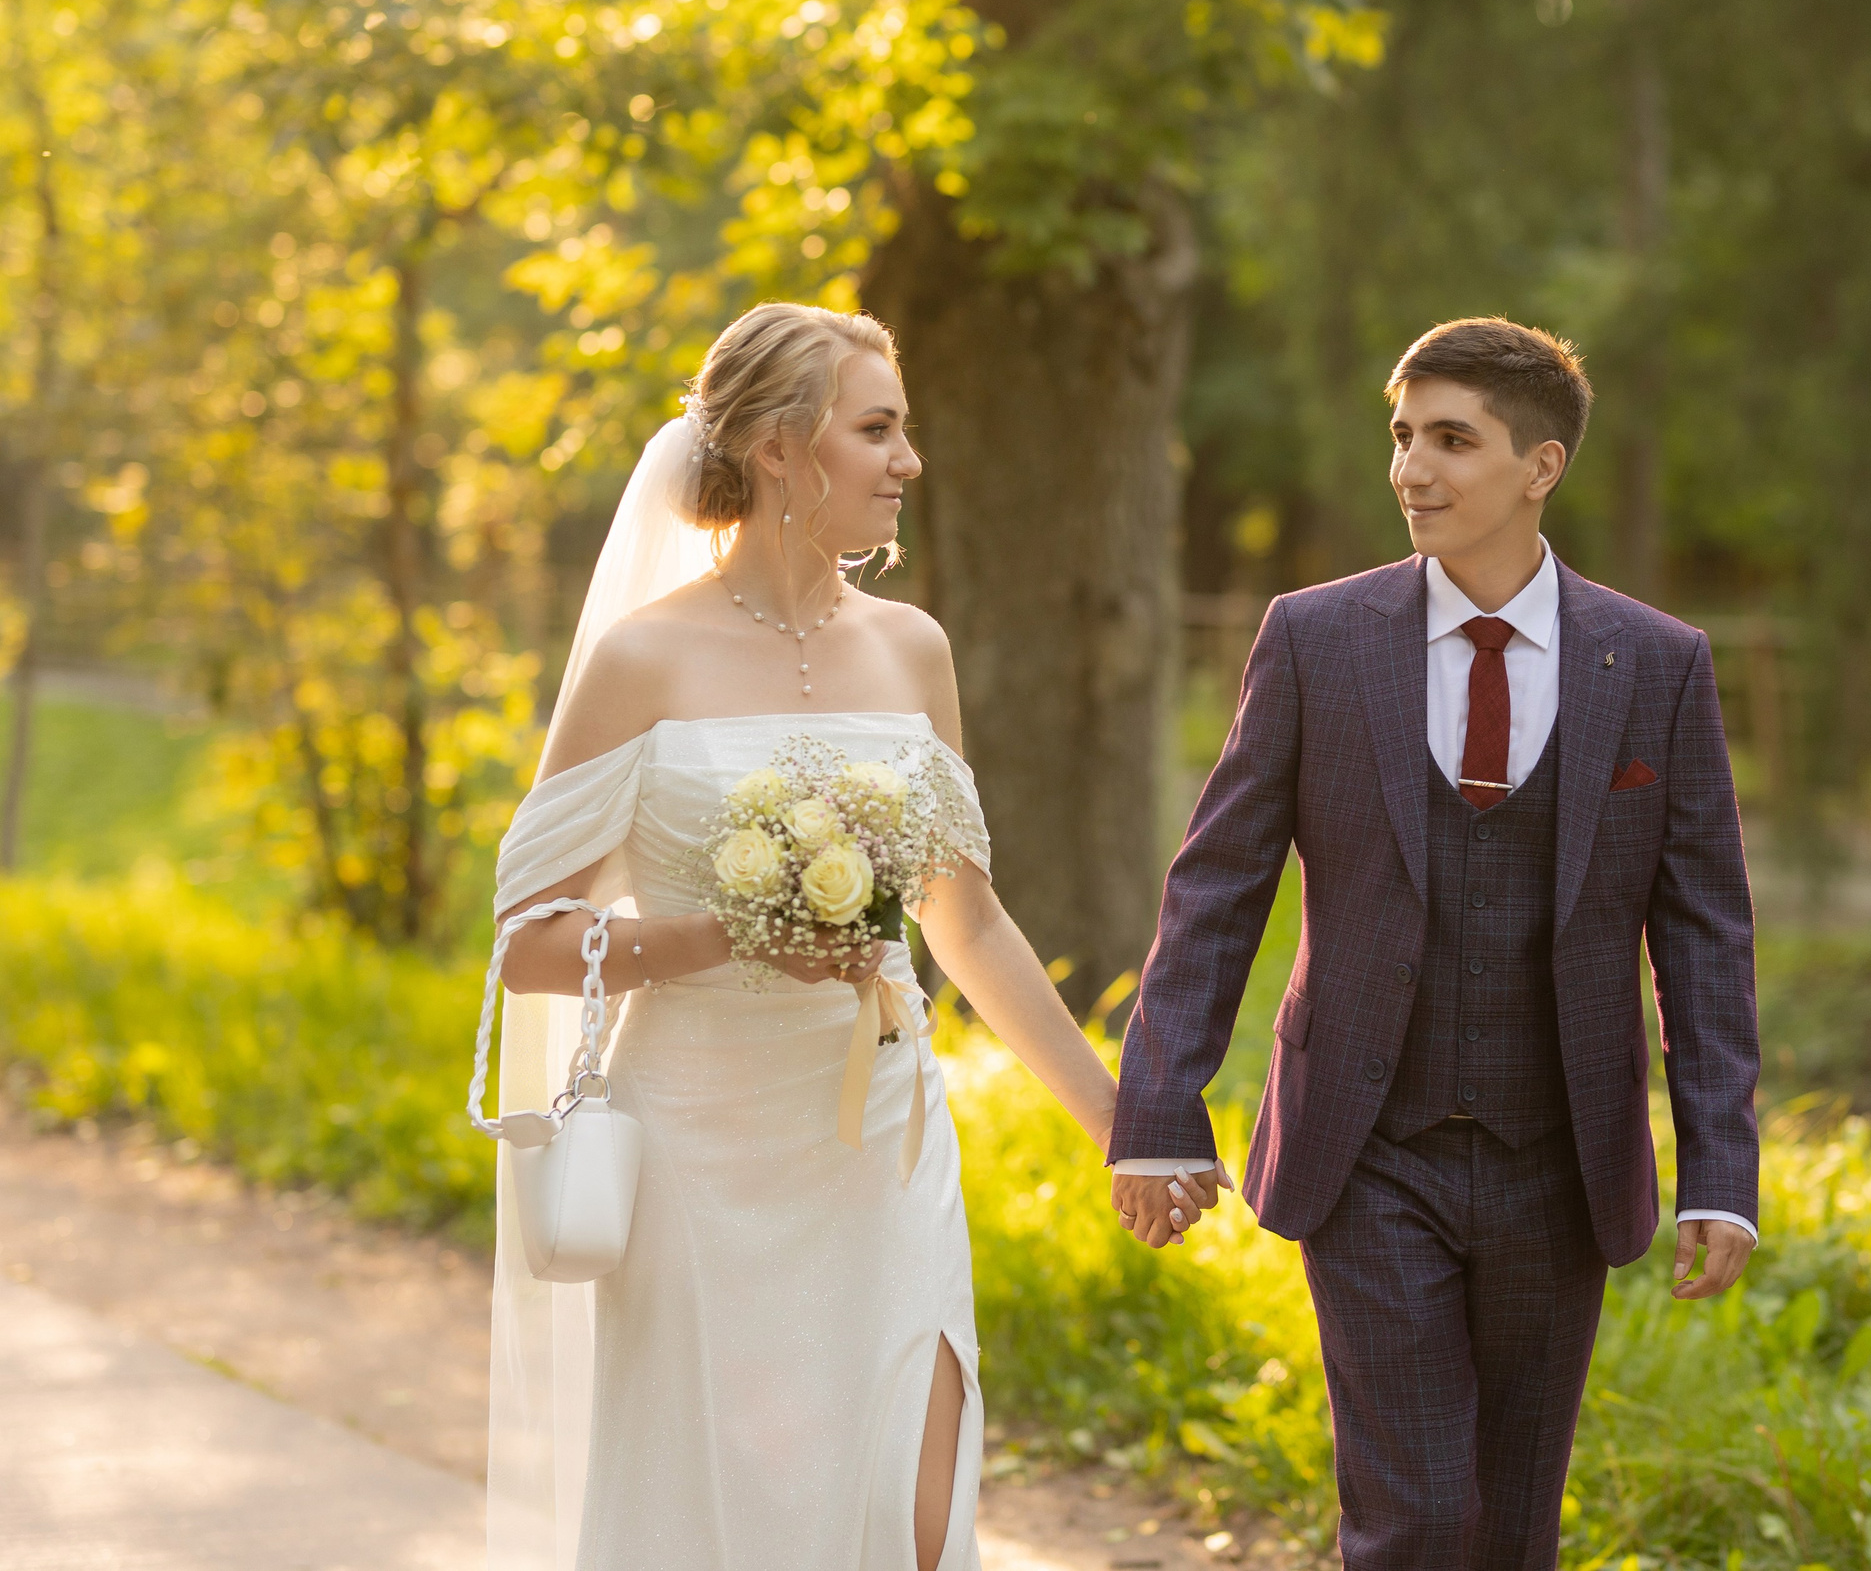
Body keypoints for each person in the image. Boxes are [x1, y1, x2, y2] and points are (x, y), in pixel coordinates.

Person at [1108, 318, 1761, 1570]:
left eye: (1451, 439)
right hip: (1369, 1150)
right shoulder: (1316, 637)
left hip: (1558, 1161)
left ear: (1541, 467)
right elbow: (1219, 882)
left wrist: (1719, 1163)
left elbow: (1704, 931)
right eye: (1402, 435)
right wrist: (1158, 1105)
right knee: (1413, 1518)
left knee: (1513, 1526)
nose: (1411, 467)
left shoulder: (1659, 662)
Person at [484, 303, 1120, 1571]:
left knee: (914, 1500)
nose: (908, 461)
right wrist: (717, 936)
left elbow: (971, 920)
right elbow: (527, 942)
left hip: (878, 1133)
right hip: (699, 1148)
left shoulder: (912, 646)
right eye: (876, 429)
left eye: (904, 430)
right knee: (715, 1504)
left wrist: (1125, 1123)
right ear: (781, 448)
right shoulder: (643, 657)